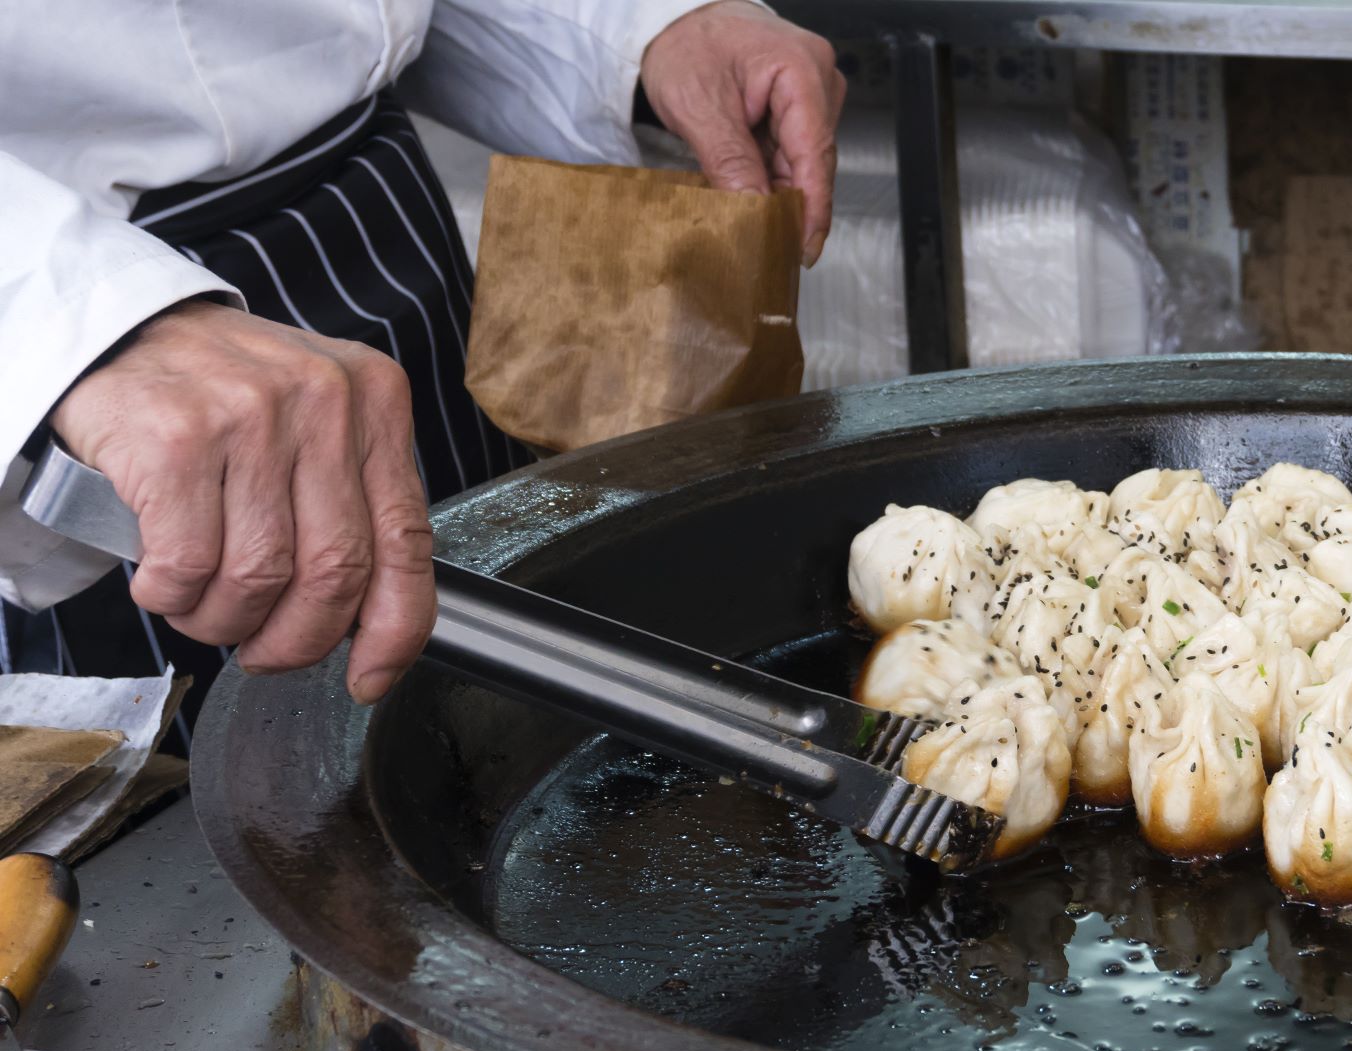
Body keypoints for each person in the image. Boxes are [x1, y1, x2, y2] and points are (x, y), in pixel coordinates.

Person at [0, 0, 845, 748]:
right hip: (102, 363)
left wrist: (633, 26)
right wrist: (66, 313)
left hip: (385, 223)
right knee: (224, 828)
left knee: (504, 748)